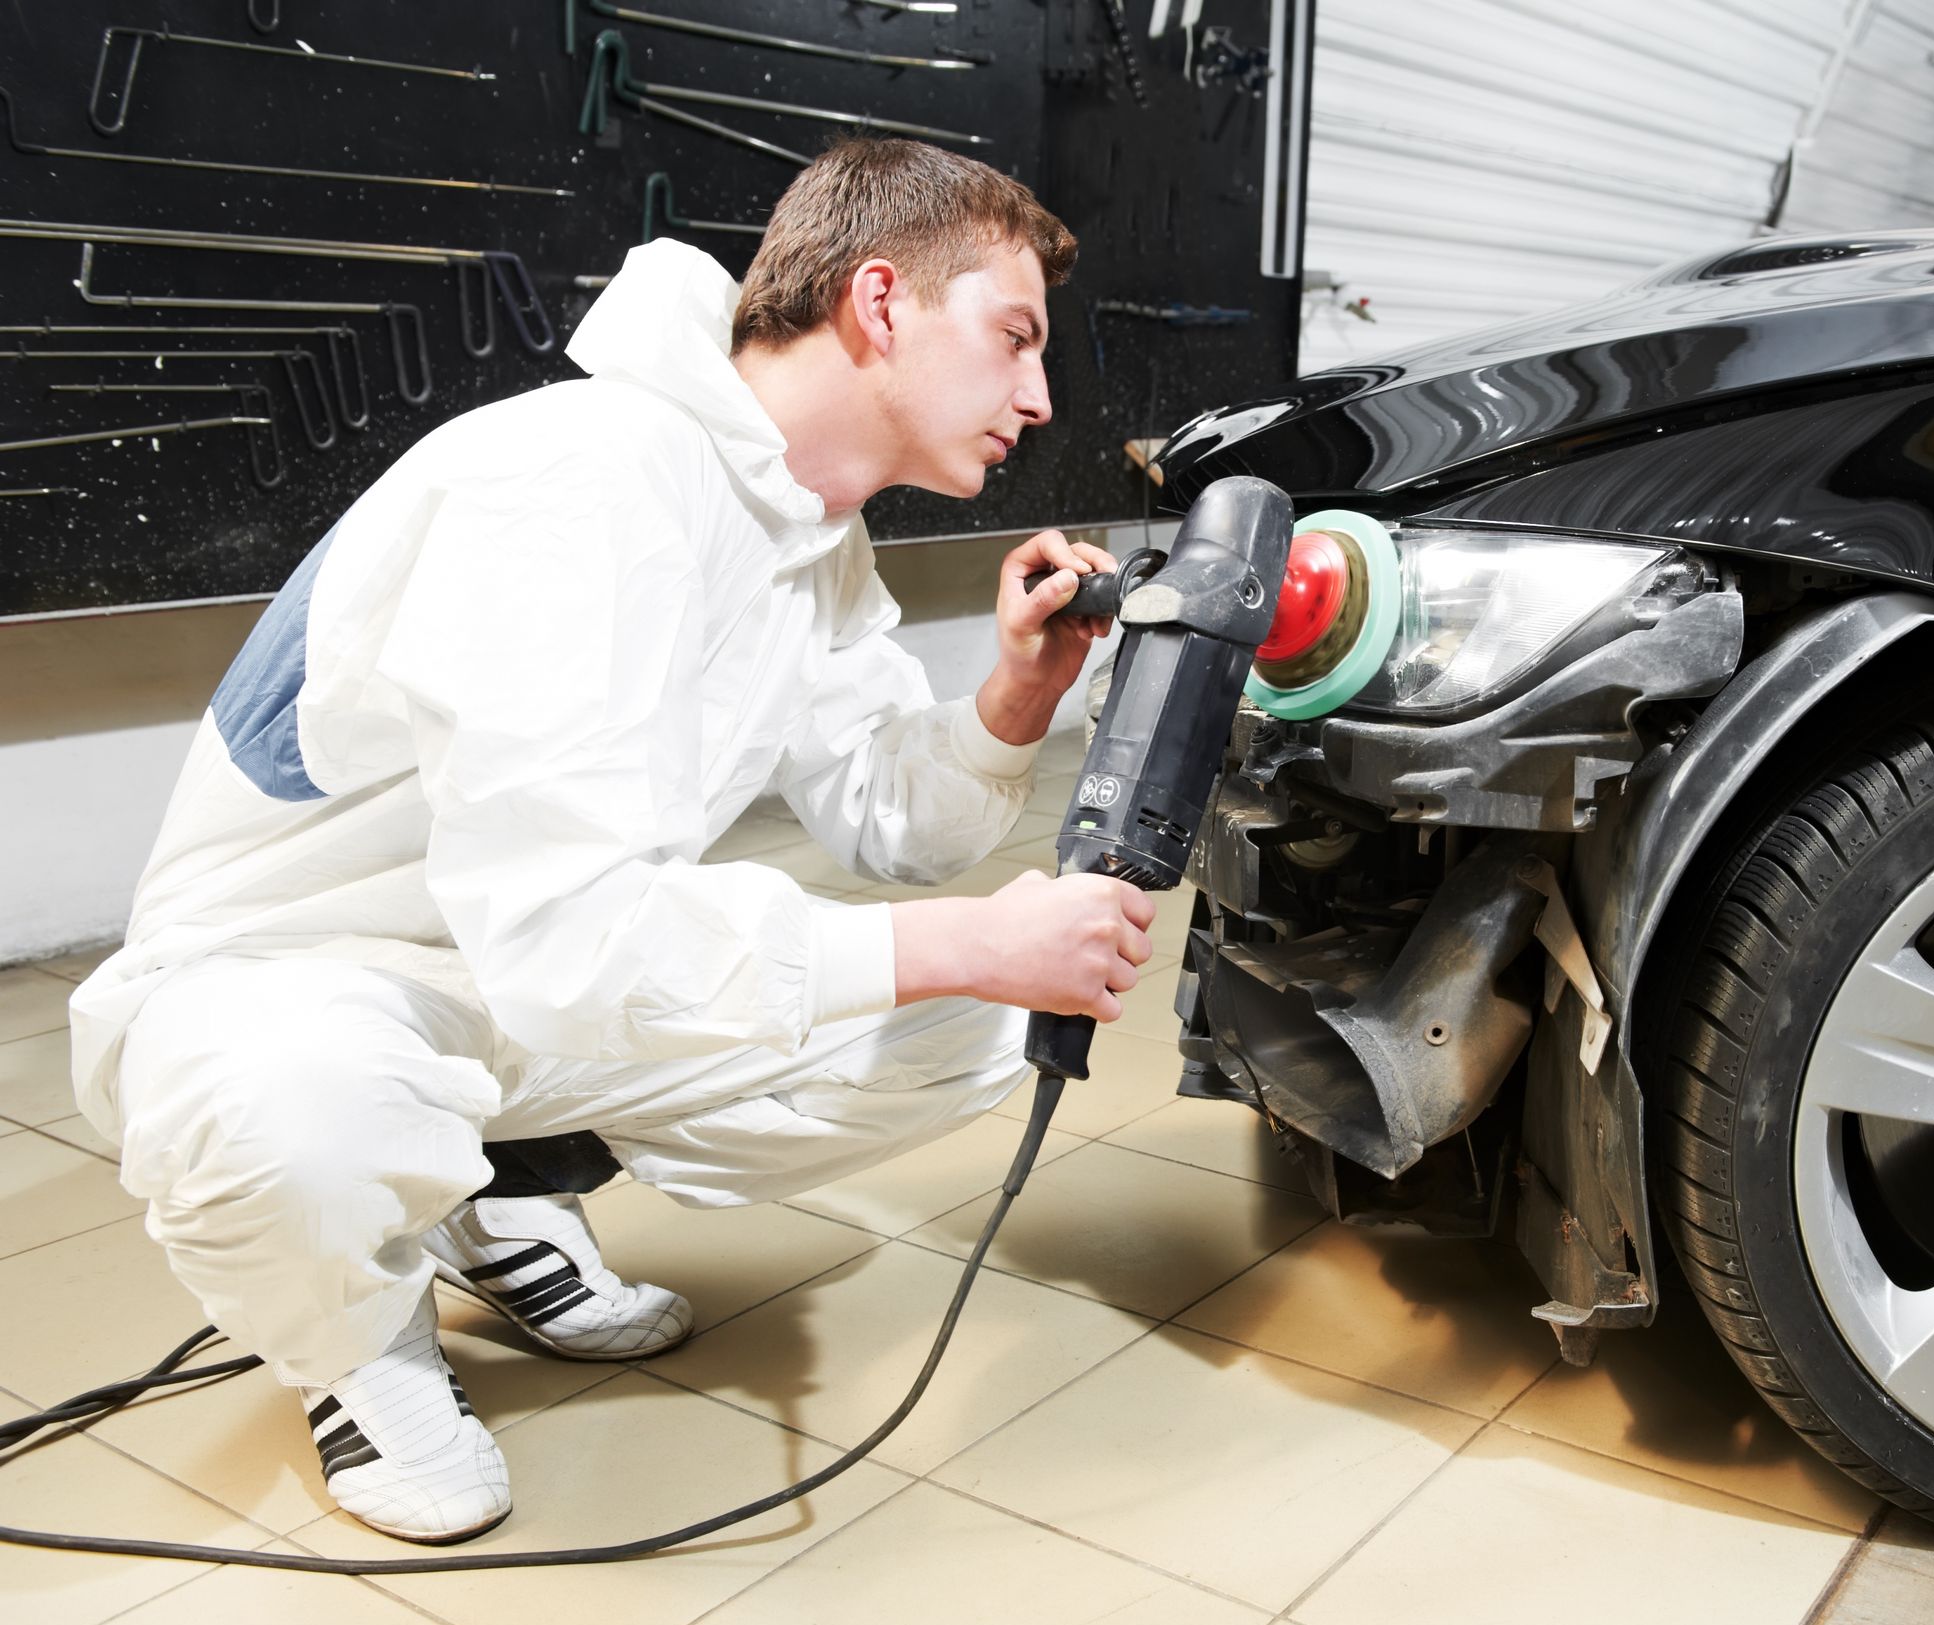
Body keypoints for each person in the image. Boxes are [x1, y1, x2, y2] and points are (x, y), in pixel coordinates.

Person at [63, 139, 1156, 1545]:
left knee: (977, 1025)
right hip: (303, 985)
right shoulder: (582, 479)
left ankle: (499, 1191)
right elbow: (574, 934)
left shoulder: (806, 538)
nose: (1040, 394)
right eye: (1012, 338)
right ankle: (358, 1352)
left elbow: (889, 822)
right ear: (880, 304)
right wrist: (969, 937)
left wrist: (1018, 694)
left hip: (519, 988)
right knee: (290, 1126)